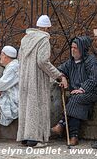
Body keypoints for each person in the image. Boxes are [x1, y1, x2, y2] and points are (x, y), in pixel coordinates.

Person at [16, 15, 63, 148]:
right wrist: (57, 75)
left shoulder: (25, 39)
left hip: (24, 78)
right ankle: (34, 138)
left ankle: (25, 137)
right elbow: (43, 61)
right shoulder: (43, 40)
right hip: (37, 78)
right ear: (47, 27)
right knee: (37, 107)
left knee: (26, 107)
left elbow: (20, 59)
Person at [51, 36, 97, 146]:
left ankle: (62, 124)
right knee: (76, 100)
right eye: (72, 47)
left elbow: (94, 79)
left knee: (75, 99)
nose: (73, 50)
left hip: (94, 91)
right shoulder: (71, 62)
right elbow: (59, 70)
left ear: (82, 49)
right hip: (77, 94)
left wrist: (82, 89)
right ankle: (74, 137)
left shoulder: (92, 61)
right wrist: (63, 77)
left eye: (75, 48)